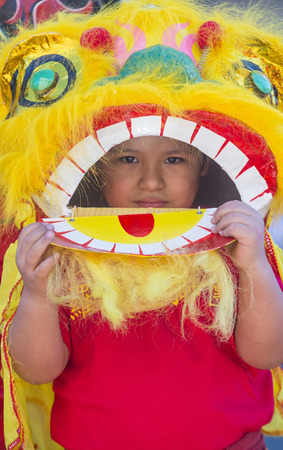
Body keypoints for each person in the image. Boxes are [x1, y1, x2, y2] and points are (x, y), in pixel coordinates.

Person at [1, 1, 283, 449]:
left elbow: (268, 354)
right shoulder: (68, 253)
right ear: (93, 168)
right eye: (127, 158)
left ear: (205, 166)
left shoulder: (235, 244)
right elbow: (36, 370)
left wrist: (254, 269)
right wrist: (36, 294)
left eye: (174, 158)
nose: (151, 180)